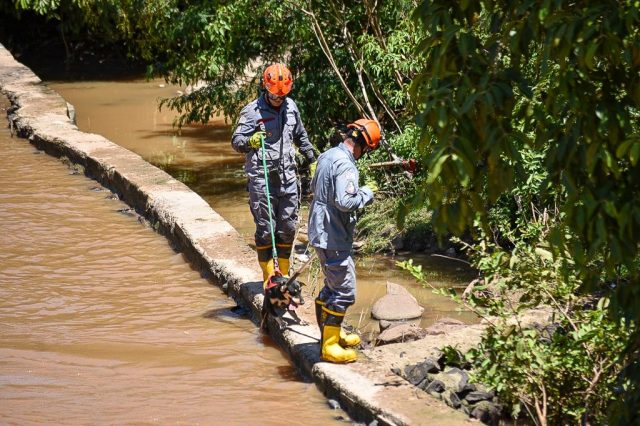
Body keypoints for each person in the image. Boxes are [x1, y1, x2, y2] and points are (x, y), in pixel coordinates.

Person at [231, 63, 316, 284]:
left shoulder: (291, 108)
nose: (279, 99)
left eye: (282, 95)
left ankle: (284, 276)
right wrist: (250, 141)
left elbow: (301, 136)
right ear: (266, 88)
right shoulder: (252, 112)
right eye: (275, 95)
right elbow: (236, 141)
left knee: (287, 227)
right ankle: (269, 278)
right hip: (262, 179)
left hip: (288, 177)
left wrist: (312, 159)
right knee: (266, 229)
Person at [308, 118, 381, 363]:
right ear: (363, 146)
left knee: (332, 285)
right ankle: (329, 347)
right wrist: (367, 193)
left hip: (320, 230)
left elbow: (315, 187)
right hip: (333, 234)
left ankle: (330, 334)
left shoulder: (327, 155)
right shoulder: (347, 165)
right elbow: (345, 201)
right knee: (344, 291)